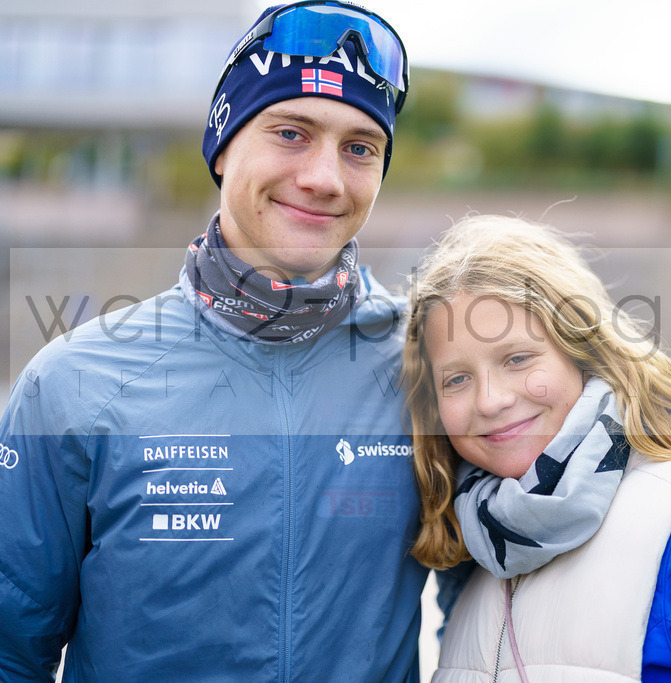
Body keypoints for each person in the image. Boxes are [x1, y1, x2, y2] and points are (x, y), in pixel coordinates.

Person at [0, 3, 427, 680]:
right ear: (224, 147)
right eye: (291, 132)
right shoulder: (72, 382)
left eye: (359, 147)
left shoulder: (429, 366)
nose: (324, 178)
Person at [402, 215, 671, 682]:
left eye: (517, 359)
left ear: (583, 351)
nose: (491, 400)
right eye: (457, 379)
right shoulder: (471, 555)